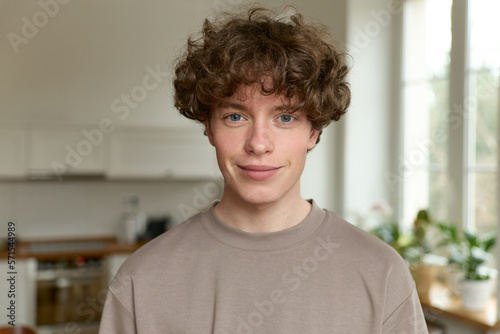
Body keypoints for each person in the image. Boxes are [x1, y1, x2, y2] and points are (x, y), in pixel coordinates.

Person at [99, 6, 428, 334]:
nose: (258, 144)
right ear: (210, 128)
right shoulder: (140, 281)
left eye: (285, 118)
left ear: (313, 132)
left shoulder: (382, 274)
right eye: (235, 116)